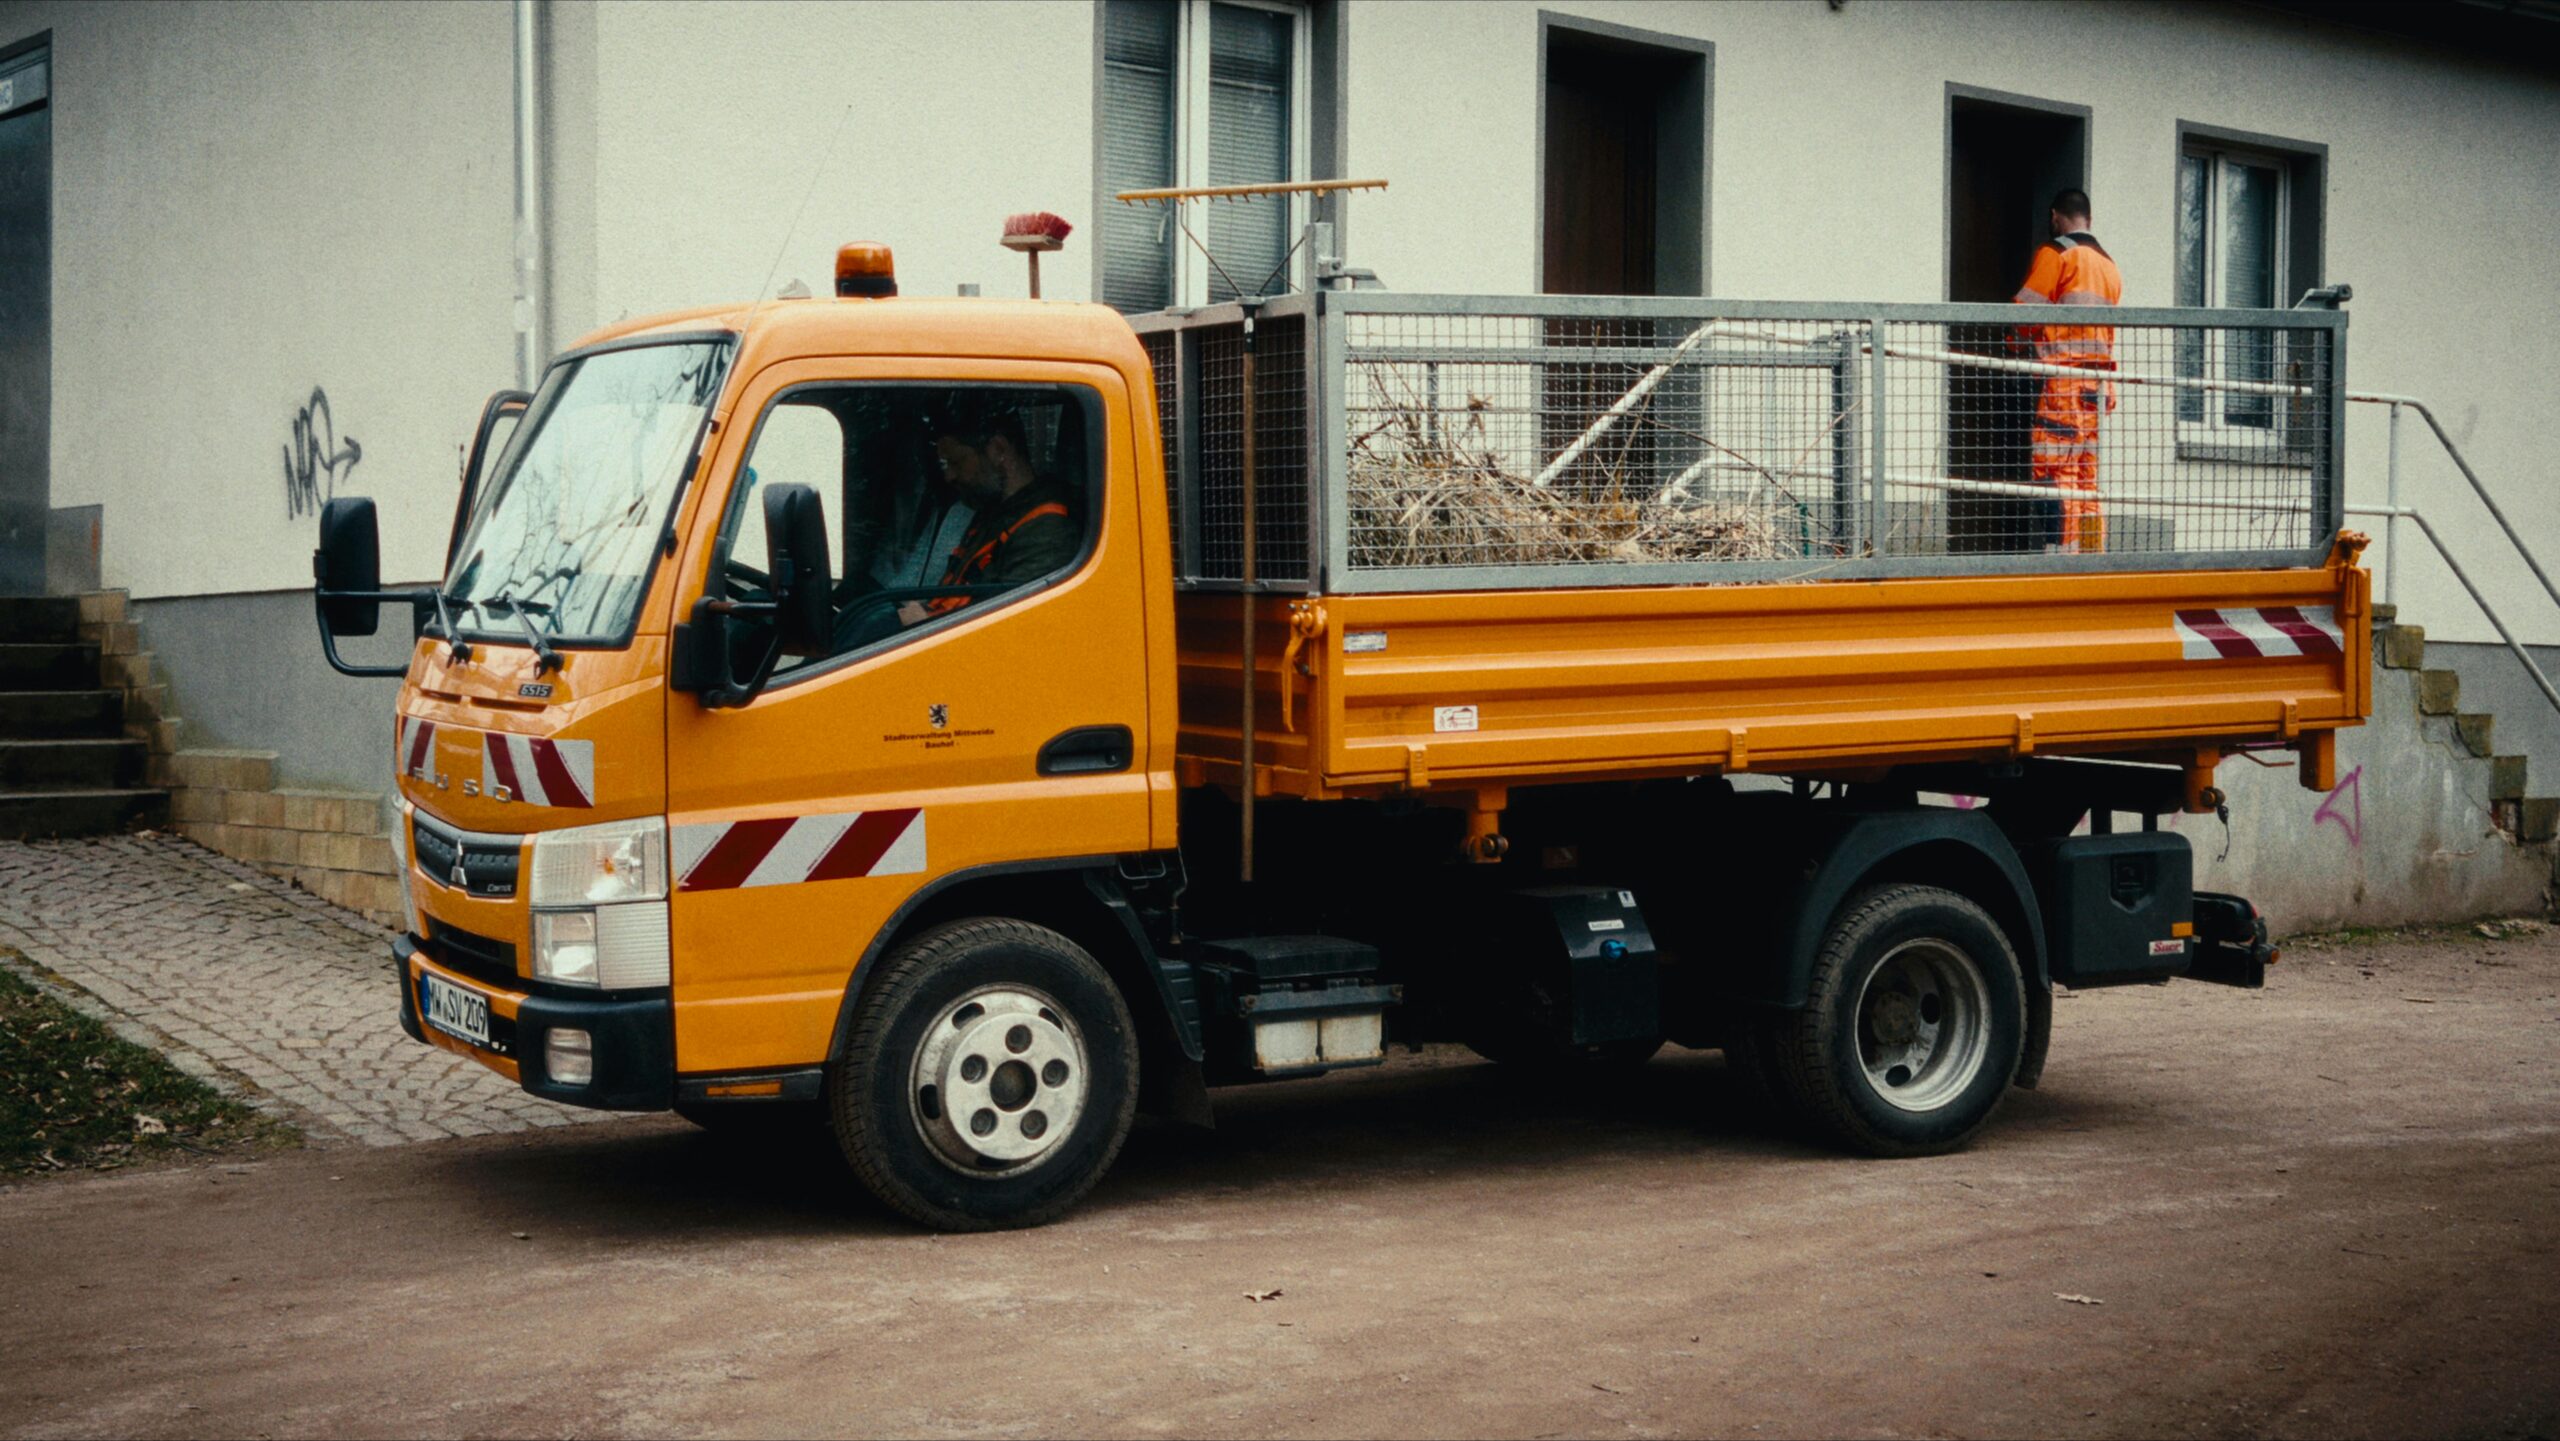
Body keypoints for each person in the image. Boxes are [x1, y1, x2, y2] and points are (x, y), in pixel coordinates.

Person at [2011, 187, 2122, 554]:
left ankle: (2060, 560)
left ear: (2056, 216)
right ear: (2088, 219)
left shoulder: (2056, 253)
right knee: (2085, 478)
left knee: (2054, 475)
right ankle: (2091, 561)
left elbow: (2024, 313)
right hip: (2095, 387)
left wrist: (2013, 346)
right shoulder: (2109, 267)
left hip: (2062, 385)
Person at [898, 399, 1076, 626]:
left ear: (998, 450)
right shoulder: (994, 513)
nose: (949, 476)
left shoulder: (1049, 532)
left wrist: (922, 623)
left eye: (956, 462)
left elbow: (1011, 624)